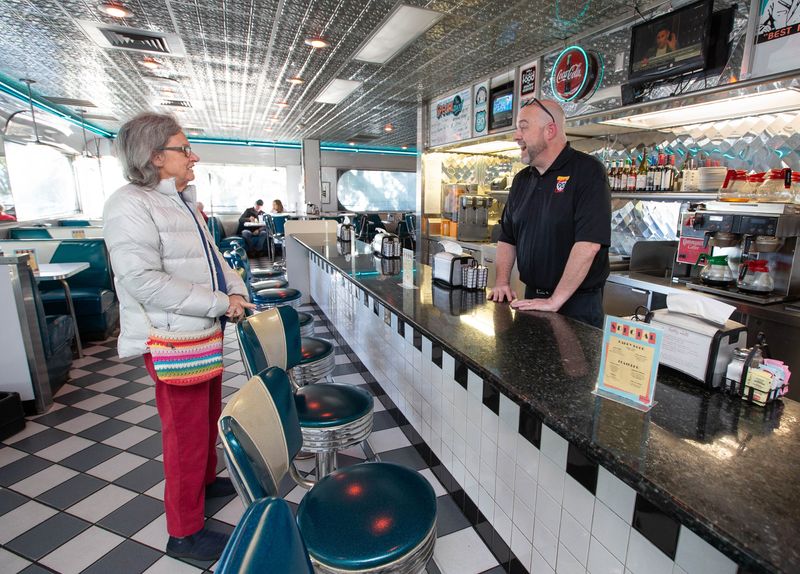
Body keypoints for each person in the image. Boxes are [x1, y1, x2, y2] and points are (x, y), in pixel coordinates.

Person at [103, 113, 255, 562]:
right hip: (172, 337)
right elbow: (142, 280)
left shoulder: (182, 200)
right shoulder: (130, 204)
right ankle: (184, 532)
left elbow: (212, 261)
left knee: (206, 417)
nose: (194, 156)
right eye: (184, 148)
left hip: (201, 332)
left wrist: (235, 291)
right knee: (183, 435)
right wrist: (217, 302)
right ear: (155, 157)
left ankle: (205, 484)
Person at [487, 98, 610, 328]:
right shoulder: (522, 180)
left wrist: (555, 301)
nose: (516, 136)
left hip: (577, 306)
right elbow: (507, 237)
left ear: (550, 131)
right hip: (533, 299)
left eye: (523, 127)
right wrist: (502, 281)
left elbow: (588, 245)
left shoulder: (588, 172)